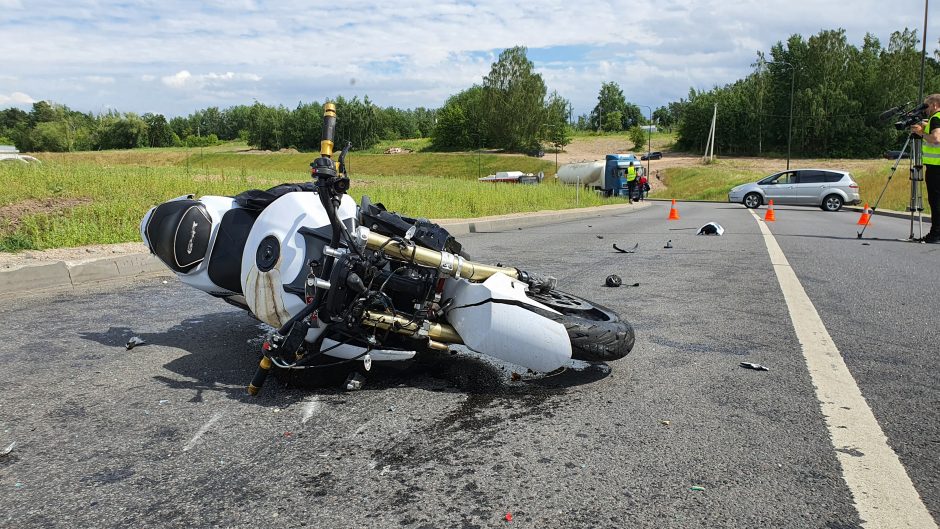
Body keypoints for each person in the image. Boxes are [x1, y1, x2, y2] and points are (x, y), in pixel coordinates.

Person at [911, 93, 940, 243]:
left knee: (935, 201)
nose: (926, 109)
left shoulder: (936, 118)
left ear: (935, 105)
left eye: (927, 106)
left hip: (936, 168)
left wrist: (920, 133)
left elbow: (936, 139)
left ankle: (935, 234)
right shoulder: (935, 119)